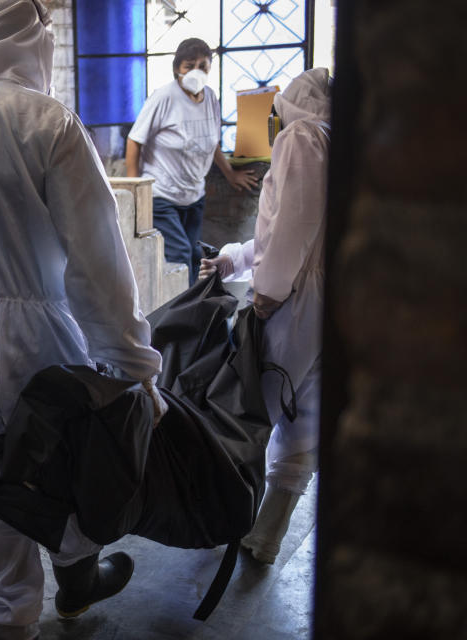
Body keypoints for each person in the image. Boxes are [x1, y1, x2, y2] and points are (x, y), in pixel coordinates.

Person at [0, 2, 166, 639]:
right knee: (62, 466)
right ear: (34, 42)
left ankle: (10, 623)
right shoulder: (48, 121)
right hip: (38, 335)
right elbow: (97, 262)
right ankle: (77, 577)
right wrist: (135, 365)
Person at [199, 67, 332, 564]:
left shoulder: (301, 136)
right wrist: (234, 256)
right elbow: (291, 228)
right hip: (328, 299)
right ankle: (267, 536)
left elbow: (293, 226)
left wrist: (268, 293)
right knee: (305, 416)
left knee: (252, 413)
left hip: (296, 299)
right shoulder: (336, 142)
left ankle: (224, 516)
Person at [125, 38, 258, 285]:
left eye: (203, 66)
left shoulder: (210, 97)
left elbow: (212, 141)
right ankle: (180, 316)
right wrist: (136, 191)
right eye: (189, 65)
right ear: (177, 68)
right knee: (179, 254)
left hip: (194, 195)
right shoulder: (163, 97)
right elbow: (134, 141)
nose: (197, 71)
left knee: (196, 257)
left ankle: (197, 312)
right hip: (161, 195)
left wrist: (230, 174)